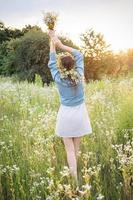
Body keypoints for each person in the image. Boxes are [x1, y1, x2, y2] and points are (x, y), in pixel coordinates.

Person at [48, 30, 92, 184]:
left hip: (66, 115)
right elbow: (79, 54)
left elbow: (51, 61)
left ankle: (74, 180)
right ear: (73, 64)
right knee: (76, 148)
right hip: (80, 114)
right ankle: (78, 177)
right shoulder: (79, 74)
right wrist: (61, 44)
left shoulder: (58, 77)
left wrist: (52, 42)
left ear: (61, 66)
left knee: (69, 149)